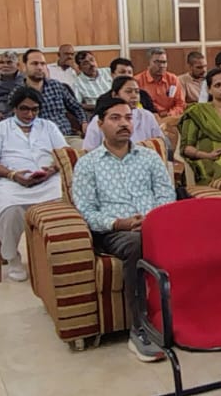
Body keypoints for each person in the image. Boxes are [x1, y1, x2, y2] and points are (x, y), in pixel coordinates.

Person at [71, 95, 177, 363]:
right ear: (100, 124)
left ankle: (191, 315)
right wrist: (119, 223)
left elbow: (167, 195)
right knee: (135, 244)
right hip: (114, 232)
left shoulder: (149, 157)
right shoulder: (88, 164)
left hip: (156, 225)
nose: (124, 124)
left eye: (128, 118)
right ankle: (139, 329)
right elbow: (86, 211)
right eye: (115, 118)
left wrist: (153, 220)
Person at [0, 87, 66, 282]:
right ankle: (13, 259)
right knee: (10, 211)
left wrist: (51, 170)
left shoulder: (48, 127)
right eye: (24, 109)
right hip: (12, 182)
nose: (30, 114)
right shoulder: (0, 129)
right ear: (14, 108)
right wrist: (12, 175)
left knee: (66, 202)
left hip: (48, 181)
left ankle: (57, 254)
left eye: (35, 109)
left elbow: (64, 154)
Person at [82, 77, 165, 153]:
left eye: (137, 92)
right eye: (128, 91)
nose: (134, 96)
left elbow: (160, 143)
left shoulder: (147, 116)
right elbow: (89, 151)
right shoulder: (100, 119)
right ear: (115, 95)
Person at [18, 48, 85, 136]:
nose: (39, 67)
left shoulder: (56, 86)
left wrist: (84, 123)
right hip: (37, 139)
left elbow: (77, 107)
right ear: (24, 66)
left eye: (42, 64)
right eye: (34, 64)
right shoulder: (18, 92)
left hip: (66, 136)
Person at [134, 47, 186, 119]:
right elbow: (135, 106)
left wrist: (169, 114)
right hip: (147, 118)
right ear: (148, 63)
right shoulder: (137, 81)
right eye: (157, 62)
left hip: (170, 119)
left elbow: (180, 104)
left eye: (164, 62)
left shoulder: (173, 79)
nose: (161, 66)